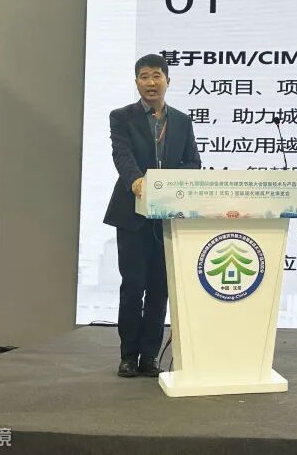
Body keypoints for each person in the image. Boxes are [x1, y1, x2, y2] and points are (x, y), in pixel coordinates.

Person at [104, 53, 201, 377]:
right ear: (136, 82)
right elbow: (122, 155)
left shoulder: (182, 121)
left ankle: (149, 357)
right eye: (144, 76)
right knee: (133, 286)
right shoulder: (122, 117)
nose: (150, 82)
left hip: (167, 217)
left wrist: (165, 183)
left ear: (167, 81)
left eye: (156, 76)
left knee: (160, 290)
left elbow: (193, 162)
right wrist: (137, 181)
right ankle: (128, 356)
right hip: (132, 214)